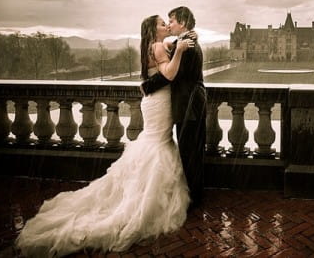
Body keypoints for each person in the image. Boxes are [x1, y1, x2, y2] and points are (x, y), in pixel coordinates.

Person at [15, 15, 194, 257]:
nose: (166, 26)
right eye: (162, 23)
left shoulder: (153, 45)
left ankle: (137, 188)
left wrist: (179, 41)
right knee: (157, 142)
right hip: (160, 101)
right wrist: (181, 50)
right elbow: (170, 75)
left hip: (152, 101)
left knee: (155, 140)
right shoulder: (158, 46)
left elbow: (165, 55)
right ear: (154, 30)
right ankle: (140, 198)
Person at [140, 6, 206, 208]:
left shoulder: (188, 44)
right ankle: (194, 196)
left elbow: (172, 75)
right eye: (165, 22)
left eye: (172, 21)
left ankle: (194, 200)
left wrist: (147, 86)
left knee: (190, 154)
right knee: (189, 152)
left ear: (183, 23)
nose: (169, 25)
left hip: (189, 106)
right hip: (188, 105)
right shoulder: (183, 41)